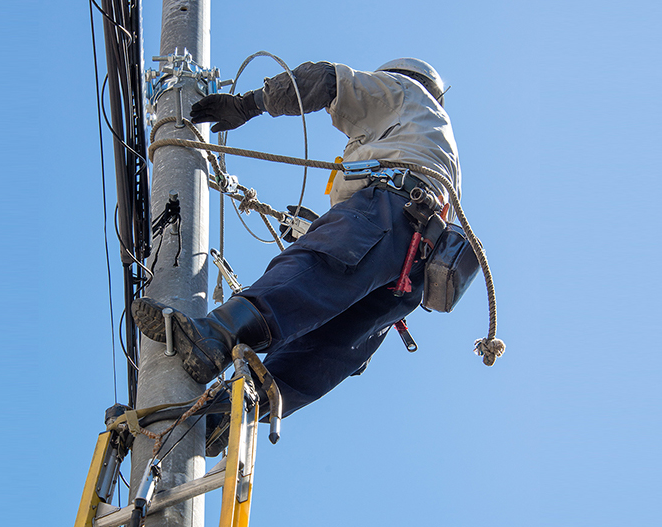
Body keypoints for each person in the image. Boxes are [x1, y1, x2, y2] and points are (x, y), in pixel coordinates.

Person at [132, 58, 460, 418]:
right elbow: (381, 249)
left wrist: (248, 104)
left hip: (391, 210)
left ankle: (215, 338)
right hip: (414, 272)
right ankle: (223, 417)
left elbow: (325, 80)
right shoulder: (437, 149)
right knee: (327, 348)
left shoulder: (402, 92)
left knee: (312, 266)